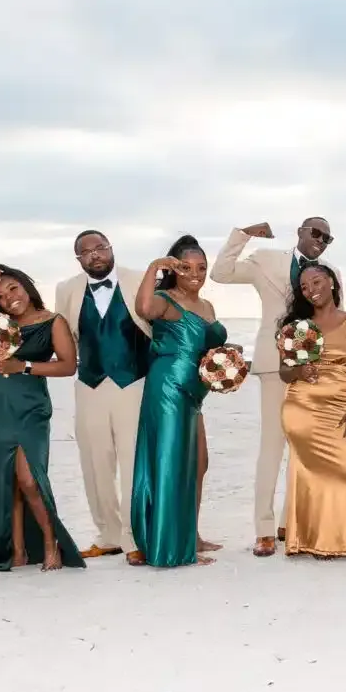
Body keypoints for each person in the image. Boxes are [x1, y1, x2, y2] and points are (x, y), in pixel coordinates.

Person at [211, 217, 336, 555]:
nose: (321, 240)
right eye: (316, 232)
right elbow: (221, 273)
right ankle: (264, 529)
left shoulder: (330, 271)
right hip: (273, 363)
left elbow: (333, 319)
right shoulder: (267, 260)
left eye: (327, 237)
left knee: (304, 447)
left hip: (314, 368)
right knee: (273, 446)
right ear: (300, 232)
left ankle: (289, 522)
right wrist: (244, 235)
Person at [0, 266, 84, 572]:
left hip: (31, 406)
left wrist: (25, 366)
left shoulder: (53, 321)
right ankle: (17, 551)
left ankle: (49, 543)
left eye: (13, 289)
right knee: (8, 480)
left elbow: (69, 365)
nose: (9, 299)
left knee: (29, 480)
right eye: (0, 296)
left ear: (27, 286)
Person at [130, 236, 229, 568]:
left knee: (198, 463)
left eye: (202, 268)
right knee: (172, 463)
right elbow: (143, 308)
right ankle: (172, 547)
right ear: (173, 268)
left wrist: (226, 363)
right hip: (169, 389)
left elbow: (207, 347)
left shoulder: (208, 306)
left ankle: (191, 535)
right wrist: (153, 268)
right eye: (186, 267)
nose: (195, 274)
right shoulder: (165, 300)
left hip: (194, 393)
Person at [54, 230, 151, 559]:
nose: (94, 254)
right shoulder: (66, 289)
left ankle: (135, 537)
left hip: (133, 381)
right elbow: (63, 335)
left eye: (100, 248)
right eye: (86, 251)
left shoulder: (139, 279)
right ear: (78, 258)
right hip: (90, 383)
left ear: (111, 249)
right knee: (95, 462)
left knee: (133, 460)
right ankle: (108, 533)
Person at [279, 264, 346, 558]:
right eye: (304, 287)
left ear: (331, 282)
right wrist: (299, 372)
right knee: (308, 473)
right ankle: (307, 540)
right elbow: (284, 372)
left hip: (341, 405)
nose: (311, 290)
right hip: (302, 405)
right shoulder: (298, 327)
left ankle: (337, 539)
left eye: (316, 281)